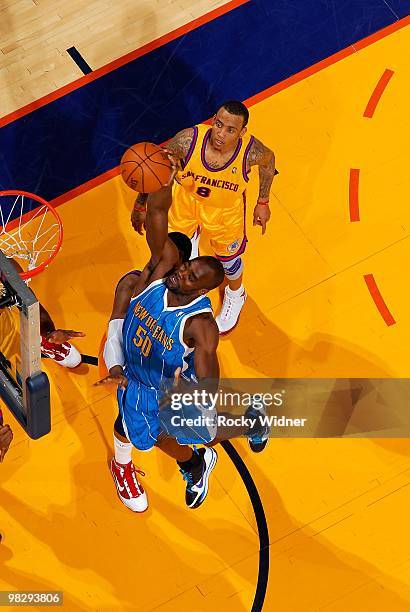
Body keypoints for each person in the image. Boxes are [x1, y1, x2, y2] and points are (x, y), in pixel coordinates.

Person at [97, 186, 225, 512]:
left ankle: (246, 422)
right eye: (182, 267)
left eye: (186, 272)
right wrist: (160, 182)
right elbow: (115, 334)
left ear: (201, 289)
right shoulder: (136, 283)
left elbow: (208, 378)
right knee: (144, 432)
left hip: (177, 380)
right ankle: (192, 464)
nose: (179, 273)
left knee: (201, 431)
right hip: (137, 372)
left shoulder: (199, 324)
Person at [131, 100, 277, 334]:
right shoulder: (187, 141)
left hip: (224, 211)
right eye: (218, 124)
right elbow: (156, 170)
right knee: (175, 252)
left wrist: (263, 202)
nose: (220, 134)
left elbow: (269, 164)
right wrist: (141, 203)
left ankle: (235, 294)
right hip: (185, 202)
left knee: (229, 262)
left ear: (242, 132)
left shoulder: (252, 152)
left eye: (230, 130)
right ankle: (187, 261)